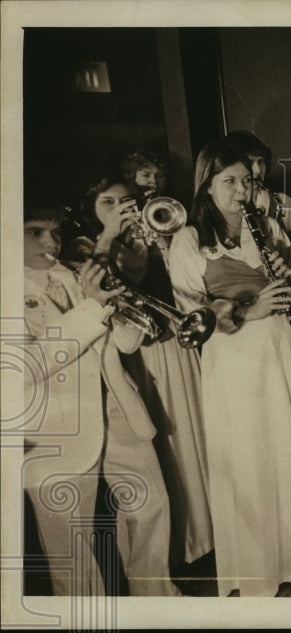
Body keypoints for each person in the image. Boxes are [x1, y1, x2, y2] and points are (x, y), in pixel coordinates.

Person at [169, 140, 291, 596]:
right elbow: (189, 314)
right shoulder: (188, 239)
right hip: (234, 358)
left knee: (287, 444)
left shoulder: (267, 224)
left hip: (281, 347)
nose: (241, 189)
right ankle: (257, 565)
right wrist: (249, 310)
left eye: (246, 180)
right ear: (206, 186)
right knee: (250, 452)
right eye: (229, 181)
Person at [22, 197, 179, 596]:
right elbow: (28, 366)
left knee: (150, 510)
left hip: (117, 408)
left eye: (55, 232)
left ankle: (158, 606)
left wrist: (122, 308)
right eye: (35, 232)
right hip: (55, 429)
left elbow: (125, 346)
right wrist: (94, 306)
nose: (52, 242)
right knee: (72, 547)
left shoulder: (75, 274)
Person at [77, 176, 213, 567]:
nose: (121, 210)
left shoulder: (153, 233)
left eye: (127, 202)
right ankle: (183, 547)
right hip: (141, 360)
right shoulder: (86, 249)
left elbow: (186, 292)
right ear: (93, 211)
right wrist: (111, 239)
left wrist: (164, 250)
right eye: (108, 203)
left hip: (177, 346)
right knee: (170, 449)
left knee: (196, 436)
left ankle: (207, 537)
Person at [224, 130, 291, 274]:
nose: (257, 170)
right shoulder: (225, 207)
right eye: (249, 161)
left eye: (261, 162)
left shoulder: (284, 203)